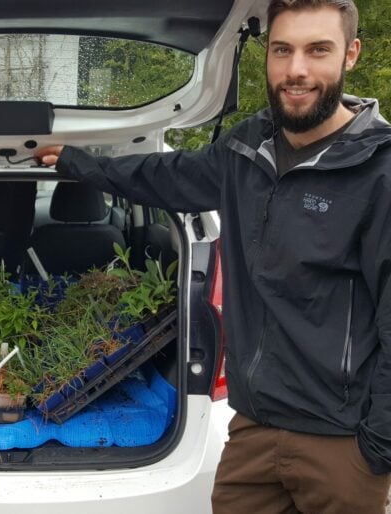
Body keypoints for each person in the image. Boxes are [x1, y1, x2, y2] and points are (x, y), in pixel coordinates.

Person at [37, 0, 391, 512]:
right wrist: (81, 164)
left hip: (339, 443)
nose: (296, 70)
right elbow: (166, 177)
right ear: (267, 56)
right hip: (252, 429)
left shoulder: (378, 171)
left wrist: (377, 447)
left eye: (318, 50)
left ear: (350, 55)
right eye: (282, 50)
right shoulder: (245, 149)